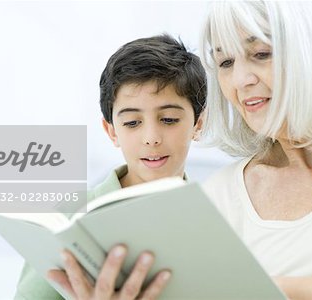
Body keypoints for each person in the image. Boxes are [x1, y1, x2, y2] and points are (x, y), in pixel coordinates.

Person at [14, 34, 206, 299]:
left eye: (169, 119)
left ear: (198, 123)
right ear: (111, 131)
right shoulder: (68, 220)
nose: (151, 137)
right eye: (132, 123)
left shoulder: (215, 220)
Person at [199, 1, 312, 299]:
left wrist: (277, 290)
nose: (241, 81)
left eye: (261, 54)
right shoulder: (218, 198)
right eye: (226, 62)